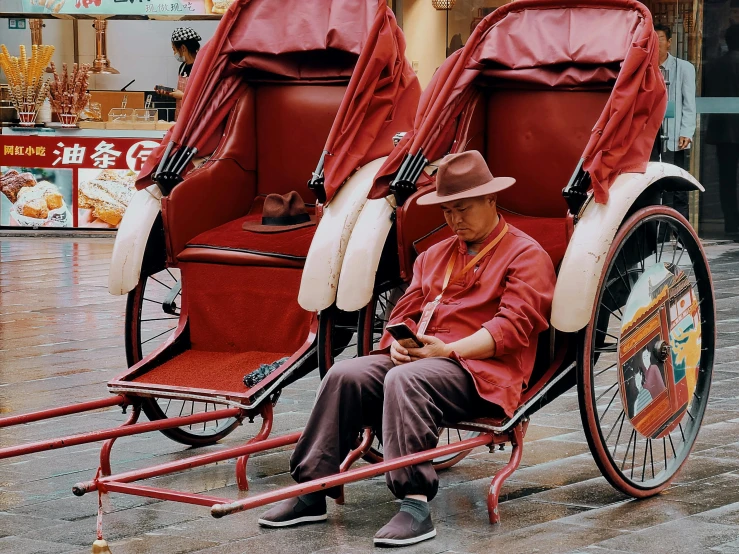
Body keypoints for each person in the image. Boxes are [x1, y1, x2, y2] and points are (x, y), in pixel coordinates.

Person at [258, 150, 556, 546]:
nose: (455, 220)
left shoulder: (526, 255)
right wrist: (398, 345)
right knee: (345, 373)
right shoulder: (434, 255)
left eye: (463, 209)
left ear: (491, 200)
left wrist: (448, 351)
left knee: (407, 378)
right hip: (422, 360)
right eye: (447, 211)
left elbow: (512, 327)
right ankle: (313, 488)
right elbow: (405, 312)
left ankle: (414, 503)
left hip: (482, 372)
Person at [650, 23, 697, 219]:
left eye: (661, 39)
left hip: (675, 132)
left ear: (669, 42)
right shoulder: (645, 67)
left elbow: (689, 103)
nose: (657, 43)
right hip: (651, 134)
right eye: (654, 39)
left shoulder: (684, 68)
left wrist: (686, 131)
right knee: (653, 182)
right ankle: (657, 232)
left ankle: (680, 235)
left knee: (677, 184)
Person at [705, 24, 739, 237]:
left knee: (726, 179)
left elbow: (707, 97)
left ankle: (731, 223)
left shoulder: (712, 66)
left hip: (722, 131)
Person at [157, 28, 201, 116]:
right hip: (181, 115)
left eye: (174, 49)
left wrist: (182, 96)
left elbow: (204, 98)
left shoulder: (202, 67)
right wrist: (169, 92)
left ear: (183, 48)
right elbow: (183, 91)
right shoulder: (183, 67)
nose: (174, 53)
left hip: (195, 118)